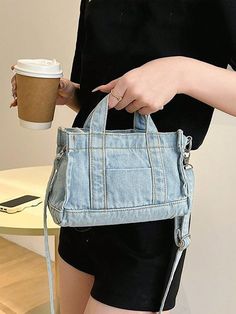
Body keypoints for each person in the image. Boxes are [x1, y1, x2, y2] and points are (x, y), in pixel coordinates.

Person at [10, 1, 236, 313]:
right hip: (81, 188)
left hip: (149, 206)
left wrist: (181, 72)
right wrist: (71, 94)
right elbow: (104, 102)